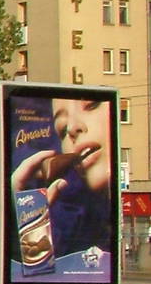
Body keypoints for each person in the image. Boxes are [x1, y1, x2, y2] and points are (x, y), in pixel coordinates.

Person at [9, 95, 115, 261]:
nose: (72, 128)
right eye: (62, 129)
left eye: (92, 105)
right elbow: (41, 276)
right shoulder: (80, 229)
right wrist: (31, 222)